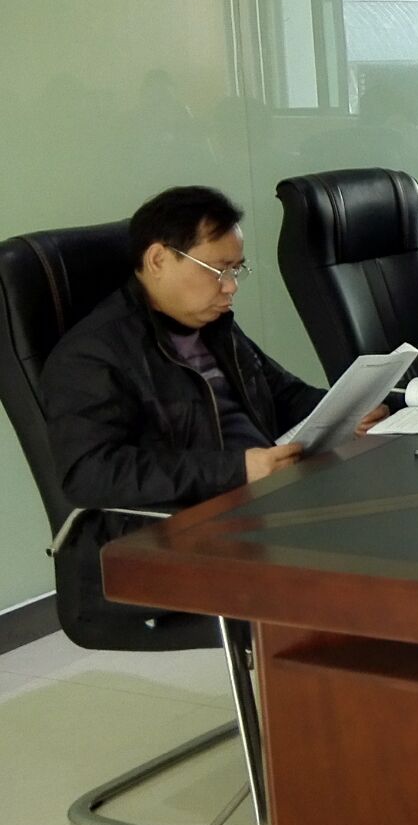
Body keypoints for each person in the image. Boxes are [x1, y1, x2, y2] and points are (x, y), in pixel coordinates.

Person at [43, 186, 387, 645]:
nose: (230, 286)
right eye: (218, 270)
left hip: (261, 504)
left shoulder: (212, 326)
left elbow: (282, 394)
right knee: (363, 570)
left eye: (235, 269)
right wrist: (238, 470)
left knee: (391, 528)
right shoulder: (93, 356)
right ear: (158, 260)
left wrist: (349, 409)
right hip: (175, 534)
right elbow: (90, 473)